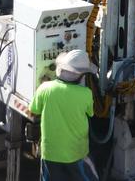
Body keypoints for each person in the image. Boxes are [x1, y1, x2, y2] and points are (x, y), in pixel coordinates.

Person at [29, 49, 99, 181]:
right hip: (77, 153)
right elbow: (91, 113)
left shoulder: (45, 88)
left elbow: (34, 111)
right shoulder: (86, 93)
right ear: (81, 75)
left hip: (50, 153)